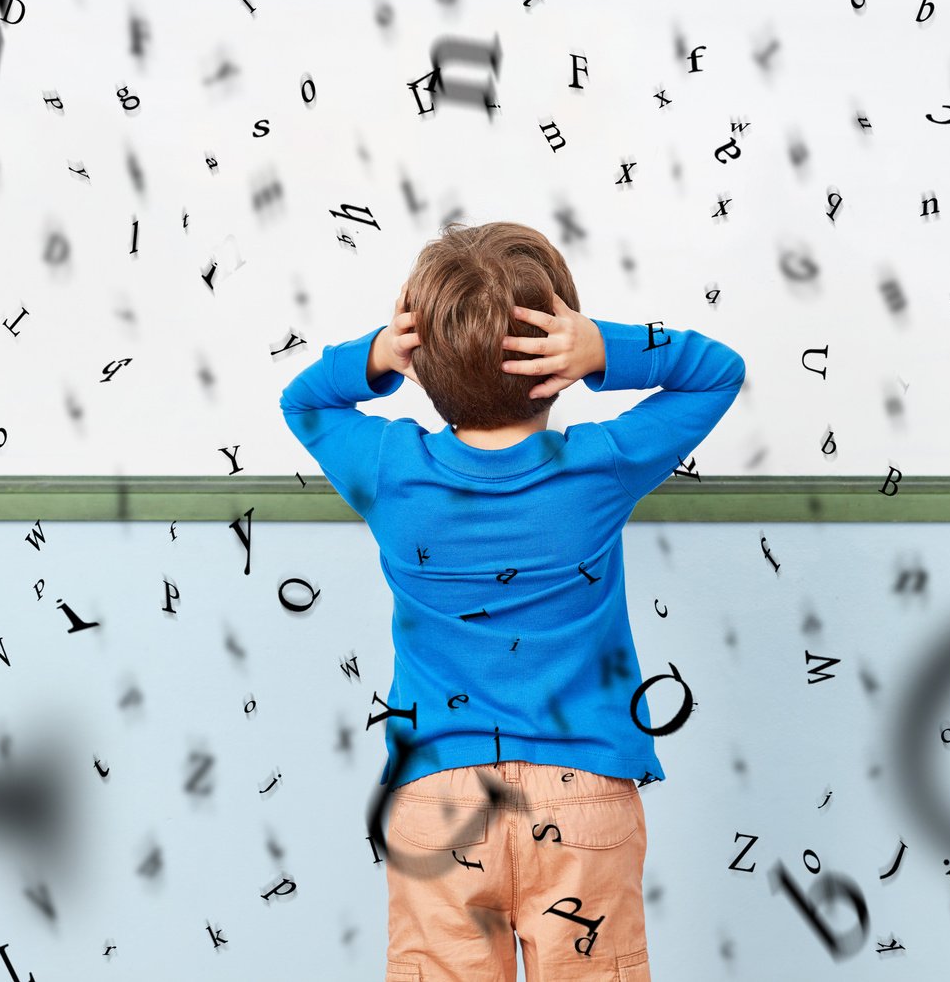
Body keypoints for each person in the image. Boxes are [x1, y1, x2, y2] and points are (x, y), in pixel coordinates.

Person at [279, 221, 745, 981]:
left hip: (438, 801)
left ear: (422, 357)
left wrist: (378, 354)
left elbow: (304, 403)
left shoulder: (391, 470)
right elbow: (718, 371)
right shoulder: (599, 468)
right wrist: (603, 350)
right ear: (555, 359)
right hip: (584, 794)